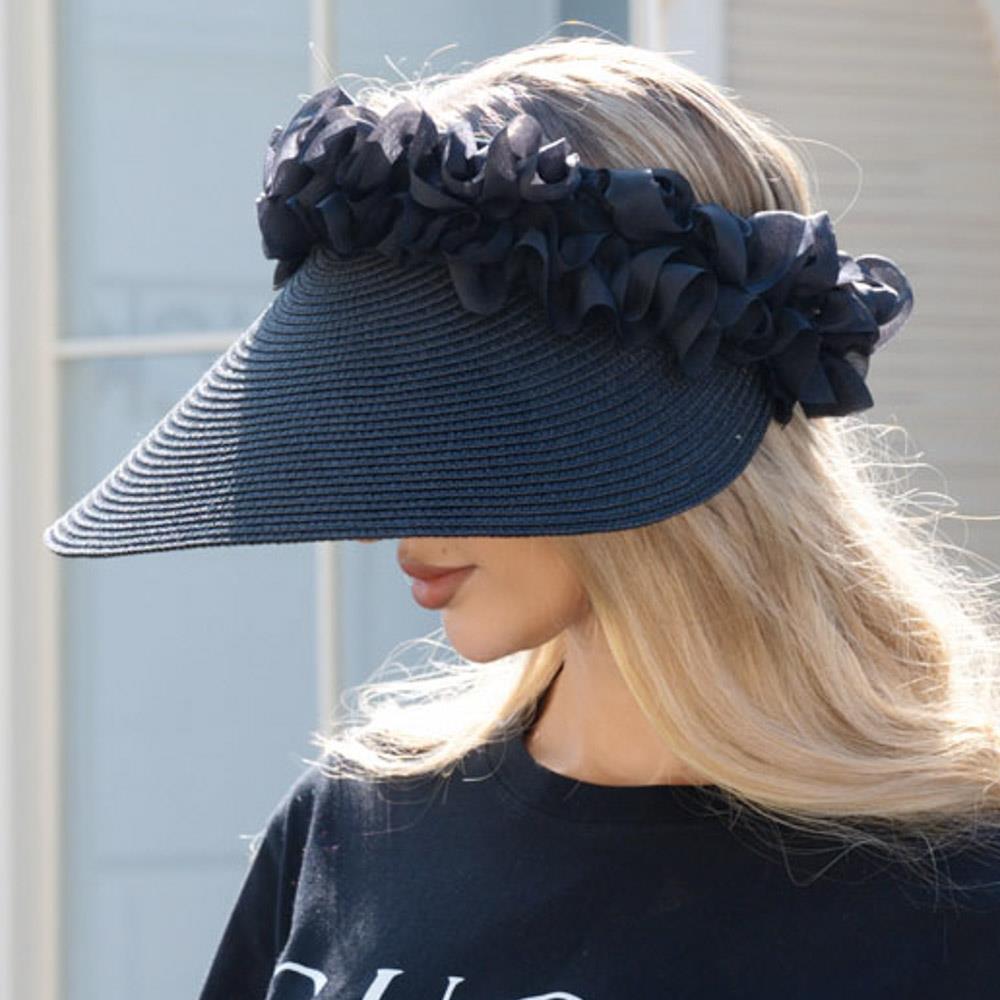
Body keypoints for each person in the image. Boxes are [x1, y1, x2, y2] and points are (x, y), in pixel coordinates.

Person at [43, 35, 1000, 999]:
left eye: (451, 425)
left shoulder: (954, 891)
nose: (376, 522)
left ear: (630, 414)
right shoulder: (353, 825)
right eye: (376, 423)